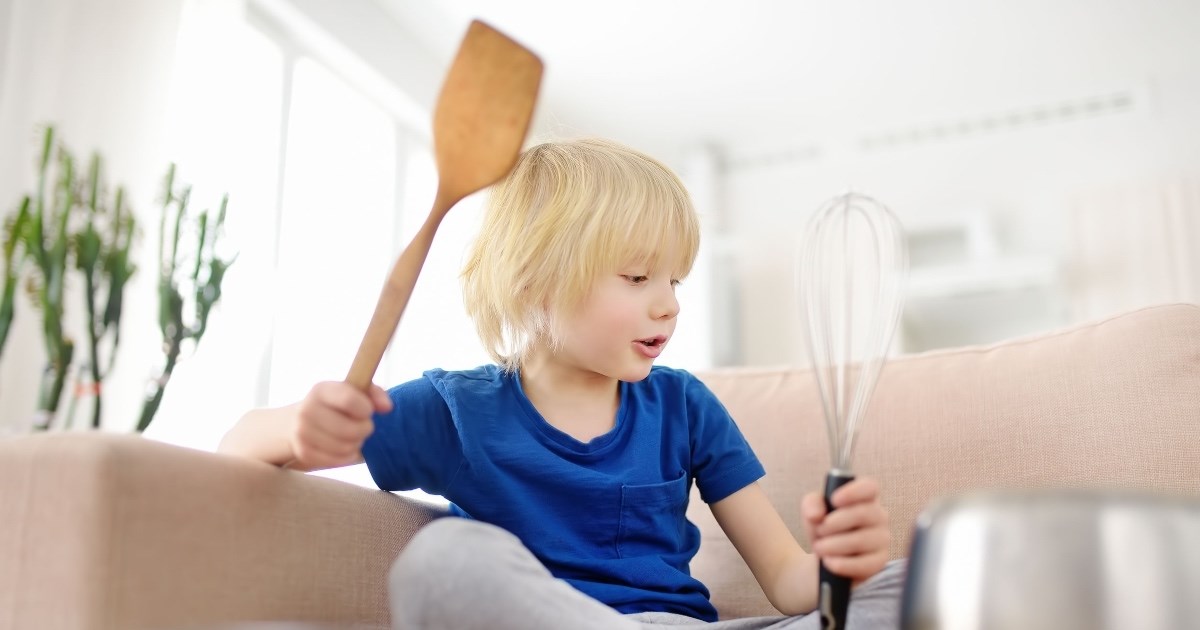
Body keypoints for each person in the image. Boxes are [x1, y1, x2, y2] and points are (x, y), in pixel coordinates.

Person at [219, 138, 905, 629]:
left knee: (912, 583)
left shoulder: (684, 406)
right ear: (534, 284)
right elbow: (241, 444)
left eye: (674, 280)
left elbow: (788, 585)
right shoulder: (458, 410)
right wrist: (301, 427)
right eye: (637, 278)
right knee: (445, 561)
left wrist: (836, 569)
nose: (667, 303)